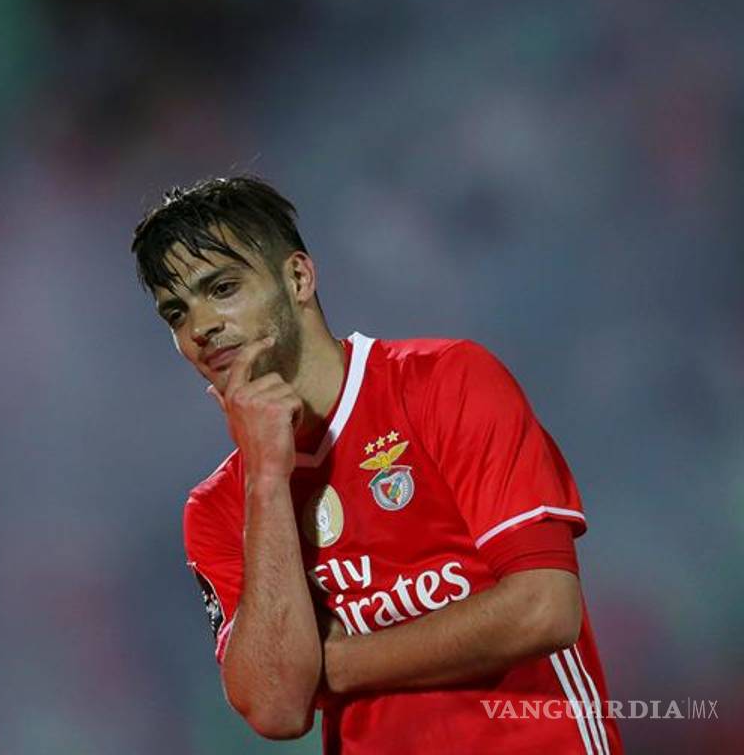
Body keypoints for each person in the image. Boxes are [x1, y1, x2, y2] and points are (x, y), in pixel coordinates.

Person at [130, 176, 621, 753]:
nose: (200, 327)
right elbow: (277, 707)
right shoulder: (219, 505)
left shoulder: (445, 381)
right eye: (176, 313)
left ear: (298, 278)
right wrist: (266, 478)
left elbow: (544, 609)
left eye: (223, 287)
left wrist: (333, 663)